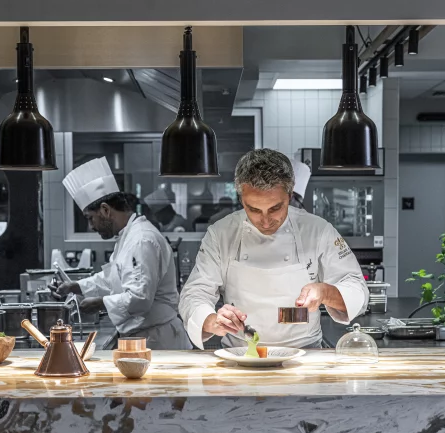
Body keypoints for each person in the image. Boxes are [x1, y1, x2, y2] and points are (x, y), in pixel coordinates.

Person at [179, 148, 368, 350]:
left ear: (289, 195)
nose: (266, 221)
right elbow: (195, 293)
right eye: (253, 209)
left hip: (306, 356)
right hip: (241, 355)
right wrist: (211, 320)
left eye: (275, 208)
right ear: (241, 198)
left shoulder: (318, 230)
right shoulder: (221, 234)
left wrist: (325, 292)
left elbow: (357, 287)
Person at [55, 157, 191, 350]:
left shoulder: (142, 240)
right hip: (145, 338)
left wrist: (100, 303)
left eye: (90, 218)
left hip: (158, 342)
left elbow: (140, 298)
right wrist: (75, 287)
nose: (91, 226)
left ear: (105, 210)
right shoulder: (128, 237)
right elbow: (112, 278)